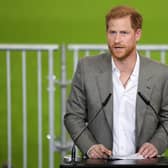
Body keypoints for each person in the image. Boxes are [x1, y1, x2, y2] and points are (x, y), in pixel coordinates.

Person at [64, 5, 168, 159]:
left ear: (137, 34)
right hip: (100, 162)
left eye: (124, 33)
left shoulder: (161, 73)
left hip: (144, 163)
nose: (117, 40)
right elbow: (73, 116)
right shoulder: (87, 68)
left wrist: (156, 144)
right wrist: (90, 147)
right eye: (112, 32)